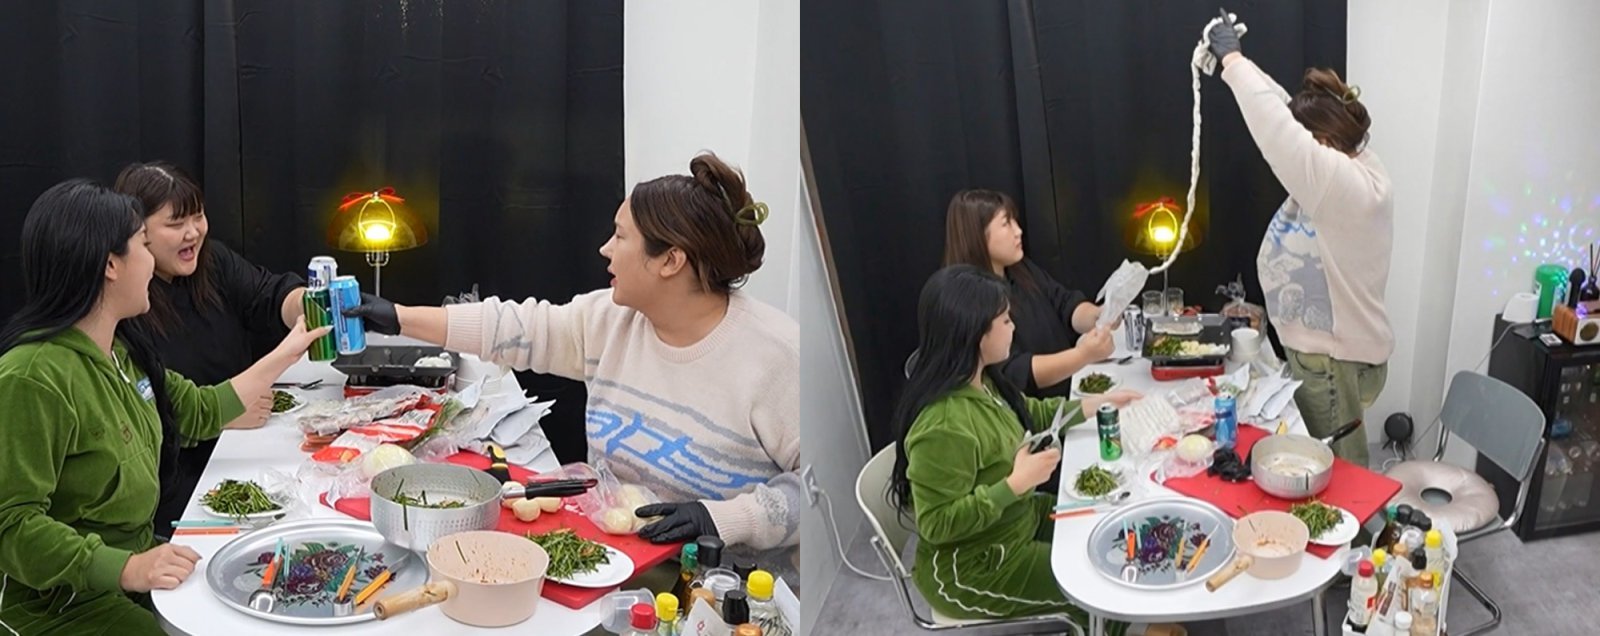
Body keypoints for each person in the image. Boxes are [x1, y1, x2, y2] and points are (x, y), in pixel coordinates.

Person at [345, 153, 802, 584]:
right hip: (612, 566)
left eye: (620, 237)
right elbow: (516, 327)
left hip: (726, 590)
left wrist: (723, 518)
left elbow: (823, 491)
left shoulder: (777, 356)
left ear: (670, 260)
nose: (605, 249)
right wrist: (399, 317)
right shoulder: (611, 319)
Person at [0, 180, 327, 634]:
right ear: (110, 265)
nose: (152, 261)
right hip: (62, 603)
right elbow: (11, 525)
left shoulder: (123, 353)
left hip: (136, 567)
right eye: (142, 243)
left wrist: (290, 349)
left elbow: (200, 409)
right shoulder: (31, 377)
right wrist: (127, 568)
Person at [888, 264, 1140, 633]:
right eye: (1005, 321)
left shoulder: (981, 380)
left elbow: (1029, 412)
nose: (1014, 328)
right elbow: (936, 523)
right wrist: (1015, 484)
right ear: (975, 333)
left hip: (1017, 520)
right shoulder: (943, 425)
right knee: (1095, 589)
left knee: (1104, 531)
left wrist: (1092, 405)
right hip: (971, 567)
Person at [1208, 15, 1393, 467]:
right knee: (1318, 462)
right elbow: (1285, 110)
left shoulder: (1343, 183)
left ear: (1322, 140)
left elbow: (1280, 130)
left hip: (1332, 364)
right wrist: (1242, 65)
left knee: (1338, 475)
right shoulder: (1351, 159)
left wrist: (1233, 63)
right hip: (1321, 357)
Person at [112, 161, 311, 533]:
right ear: (136, 234)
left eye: (198, 217)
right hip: (179, 481)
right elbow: (156, 413)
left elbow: (268, 295)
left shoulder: (214, 261)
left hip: (242, 443)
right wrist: (223, 413)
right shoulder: (126, 305)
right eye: (175, 224)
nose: (192, 233)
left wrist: (306, 304)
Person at [941, 189, 1116, 398]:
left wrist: (1098, 315)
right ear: (977, 236)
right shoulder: (971, 302)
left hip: (1069, 388)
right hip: (1034, 408)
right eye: (1006, 224)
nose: (1018, 231)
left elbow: (1064, 302)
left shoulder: (1019, 268)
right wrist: (1082, 355)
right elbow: (1014, 373)